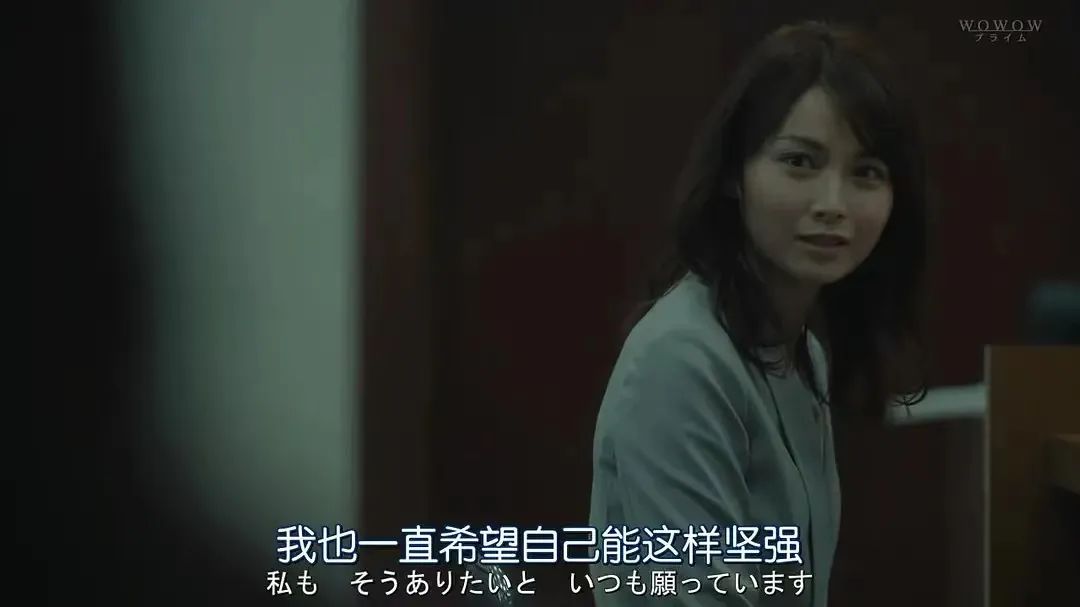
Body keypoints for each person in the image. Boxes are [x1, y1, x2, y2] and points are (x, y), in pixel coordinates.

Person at [588, 20, 928, 606]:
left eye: (866, 173)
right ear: (733, 176)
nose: (833, 204)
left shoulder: (801, 351)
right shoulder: (682, 360)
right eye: (799, 162)